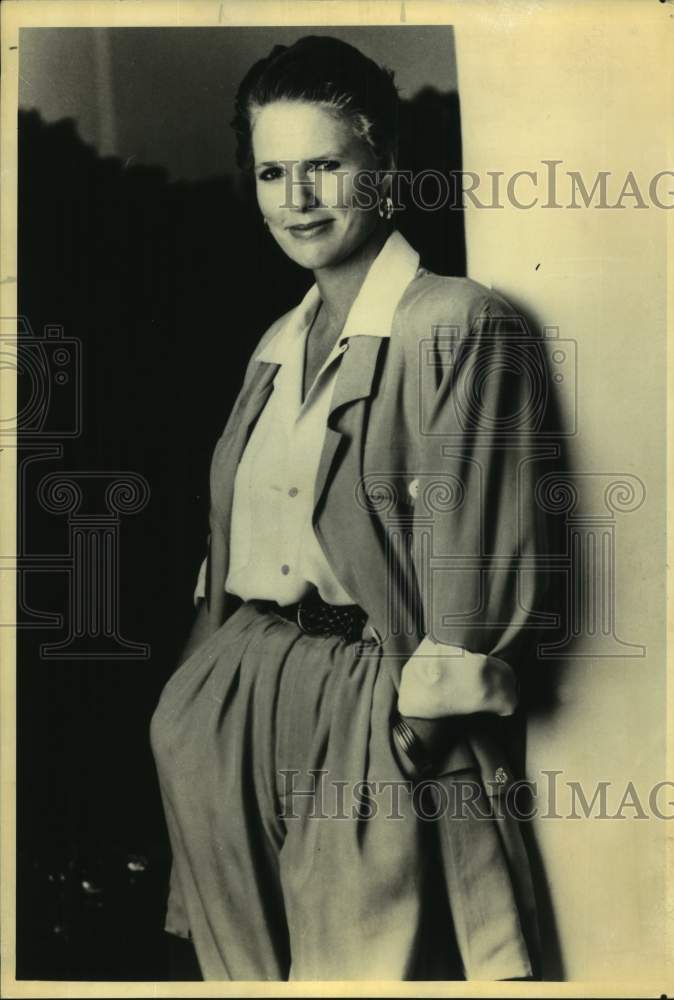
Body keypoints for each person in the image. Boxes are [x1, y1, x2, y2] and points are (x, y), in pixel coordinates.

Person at [150, 34, 551, 982]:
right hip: (239, 691)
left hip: (372, 702)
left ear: (388, 166)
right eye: (272, 171)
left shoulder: (458, 321)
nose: (297, 199)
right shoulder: (276, 342)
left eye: (325, 165)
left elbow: (478, 557)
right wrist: (190, 711)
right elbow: (234, 542)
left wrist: (414, 733)